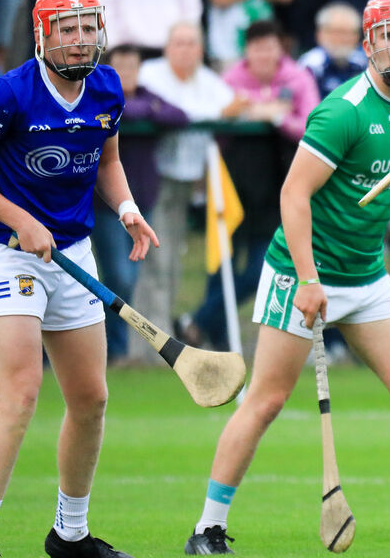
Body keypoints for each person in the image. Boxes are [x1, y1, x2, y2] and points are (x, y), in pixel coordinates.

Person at [184, 0, 390, 556]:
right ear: (370, 44)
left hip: (366, 276)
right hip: (303, 274)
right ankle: (206, 527)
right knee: (267, 400)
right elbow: (293, 195)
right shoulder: (344, 110)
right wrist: (306, 278)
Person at [0, 0, 160, 558]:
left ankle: (71, 534)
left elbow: (106, 163)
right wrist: (18, 218)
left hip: (73, 255)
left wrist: (129, 211)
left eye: (89, 27)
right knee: (21, 393)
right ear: (43, 35)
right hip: (8, 253)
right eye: (68, 28)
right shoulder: (9, 93)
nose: (81, 39)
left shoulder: (108, 88)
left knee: (91, 398)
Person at [180, 19, 320, 350]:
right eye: (257, 48)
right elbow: (213, 119)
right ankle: (219, 340)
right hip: (232, 188)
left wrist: (276, 118)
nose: (263, 54)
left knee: (263, 266)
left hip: (278, 189)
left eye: (270, 47)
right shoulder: (230, 79)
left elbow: (311, 125)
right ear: (247, 51)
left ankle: (196, 322)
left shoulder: (297, 78)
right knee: (220, 266)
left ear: (280, 49)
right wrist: (246, 112)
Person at [135, 23, 248, 339]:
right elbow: (173, 113)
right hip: (150, 180)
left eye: (192, 44)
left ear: (201, 49)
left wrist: (224, 110)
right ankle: (146, 345)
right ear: (167, 47)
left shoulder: (207, 79)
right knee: (154, 262)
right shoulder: (150, 74)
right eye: (179, 43)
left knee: (171, 262)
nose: (186, 50)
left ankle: (161, 342)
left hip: (188, 182)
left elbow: (236, 106)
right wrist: (217, 111)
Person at [89, 44, 187, 362]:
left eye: (133, 66)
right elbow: (121, 112)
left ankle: (117, 350)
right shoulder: (99, 98)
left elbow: (179, 115)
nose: (128, 73)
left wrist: (144, 108)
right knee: (118, 276)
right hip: (107, 205)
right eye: (121, 67)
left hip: (144, 201)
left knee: (131, 276)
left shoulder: (148, 94)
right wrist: (144, 109)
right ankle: (111, 347)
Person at [299, 1, 366, 95]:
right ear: (320, 34)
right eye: (336, 32)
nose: (342, 39)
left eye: (347, 33)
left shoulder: (367, 62)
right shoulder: (310, 65)